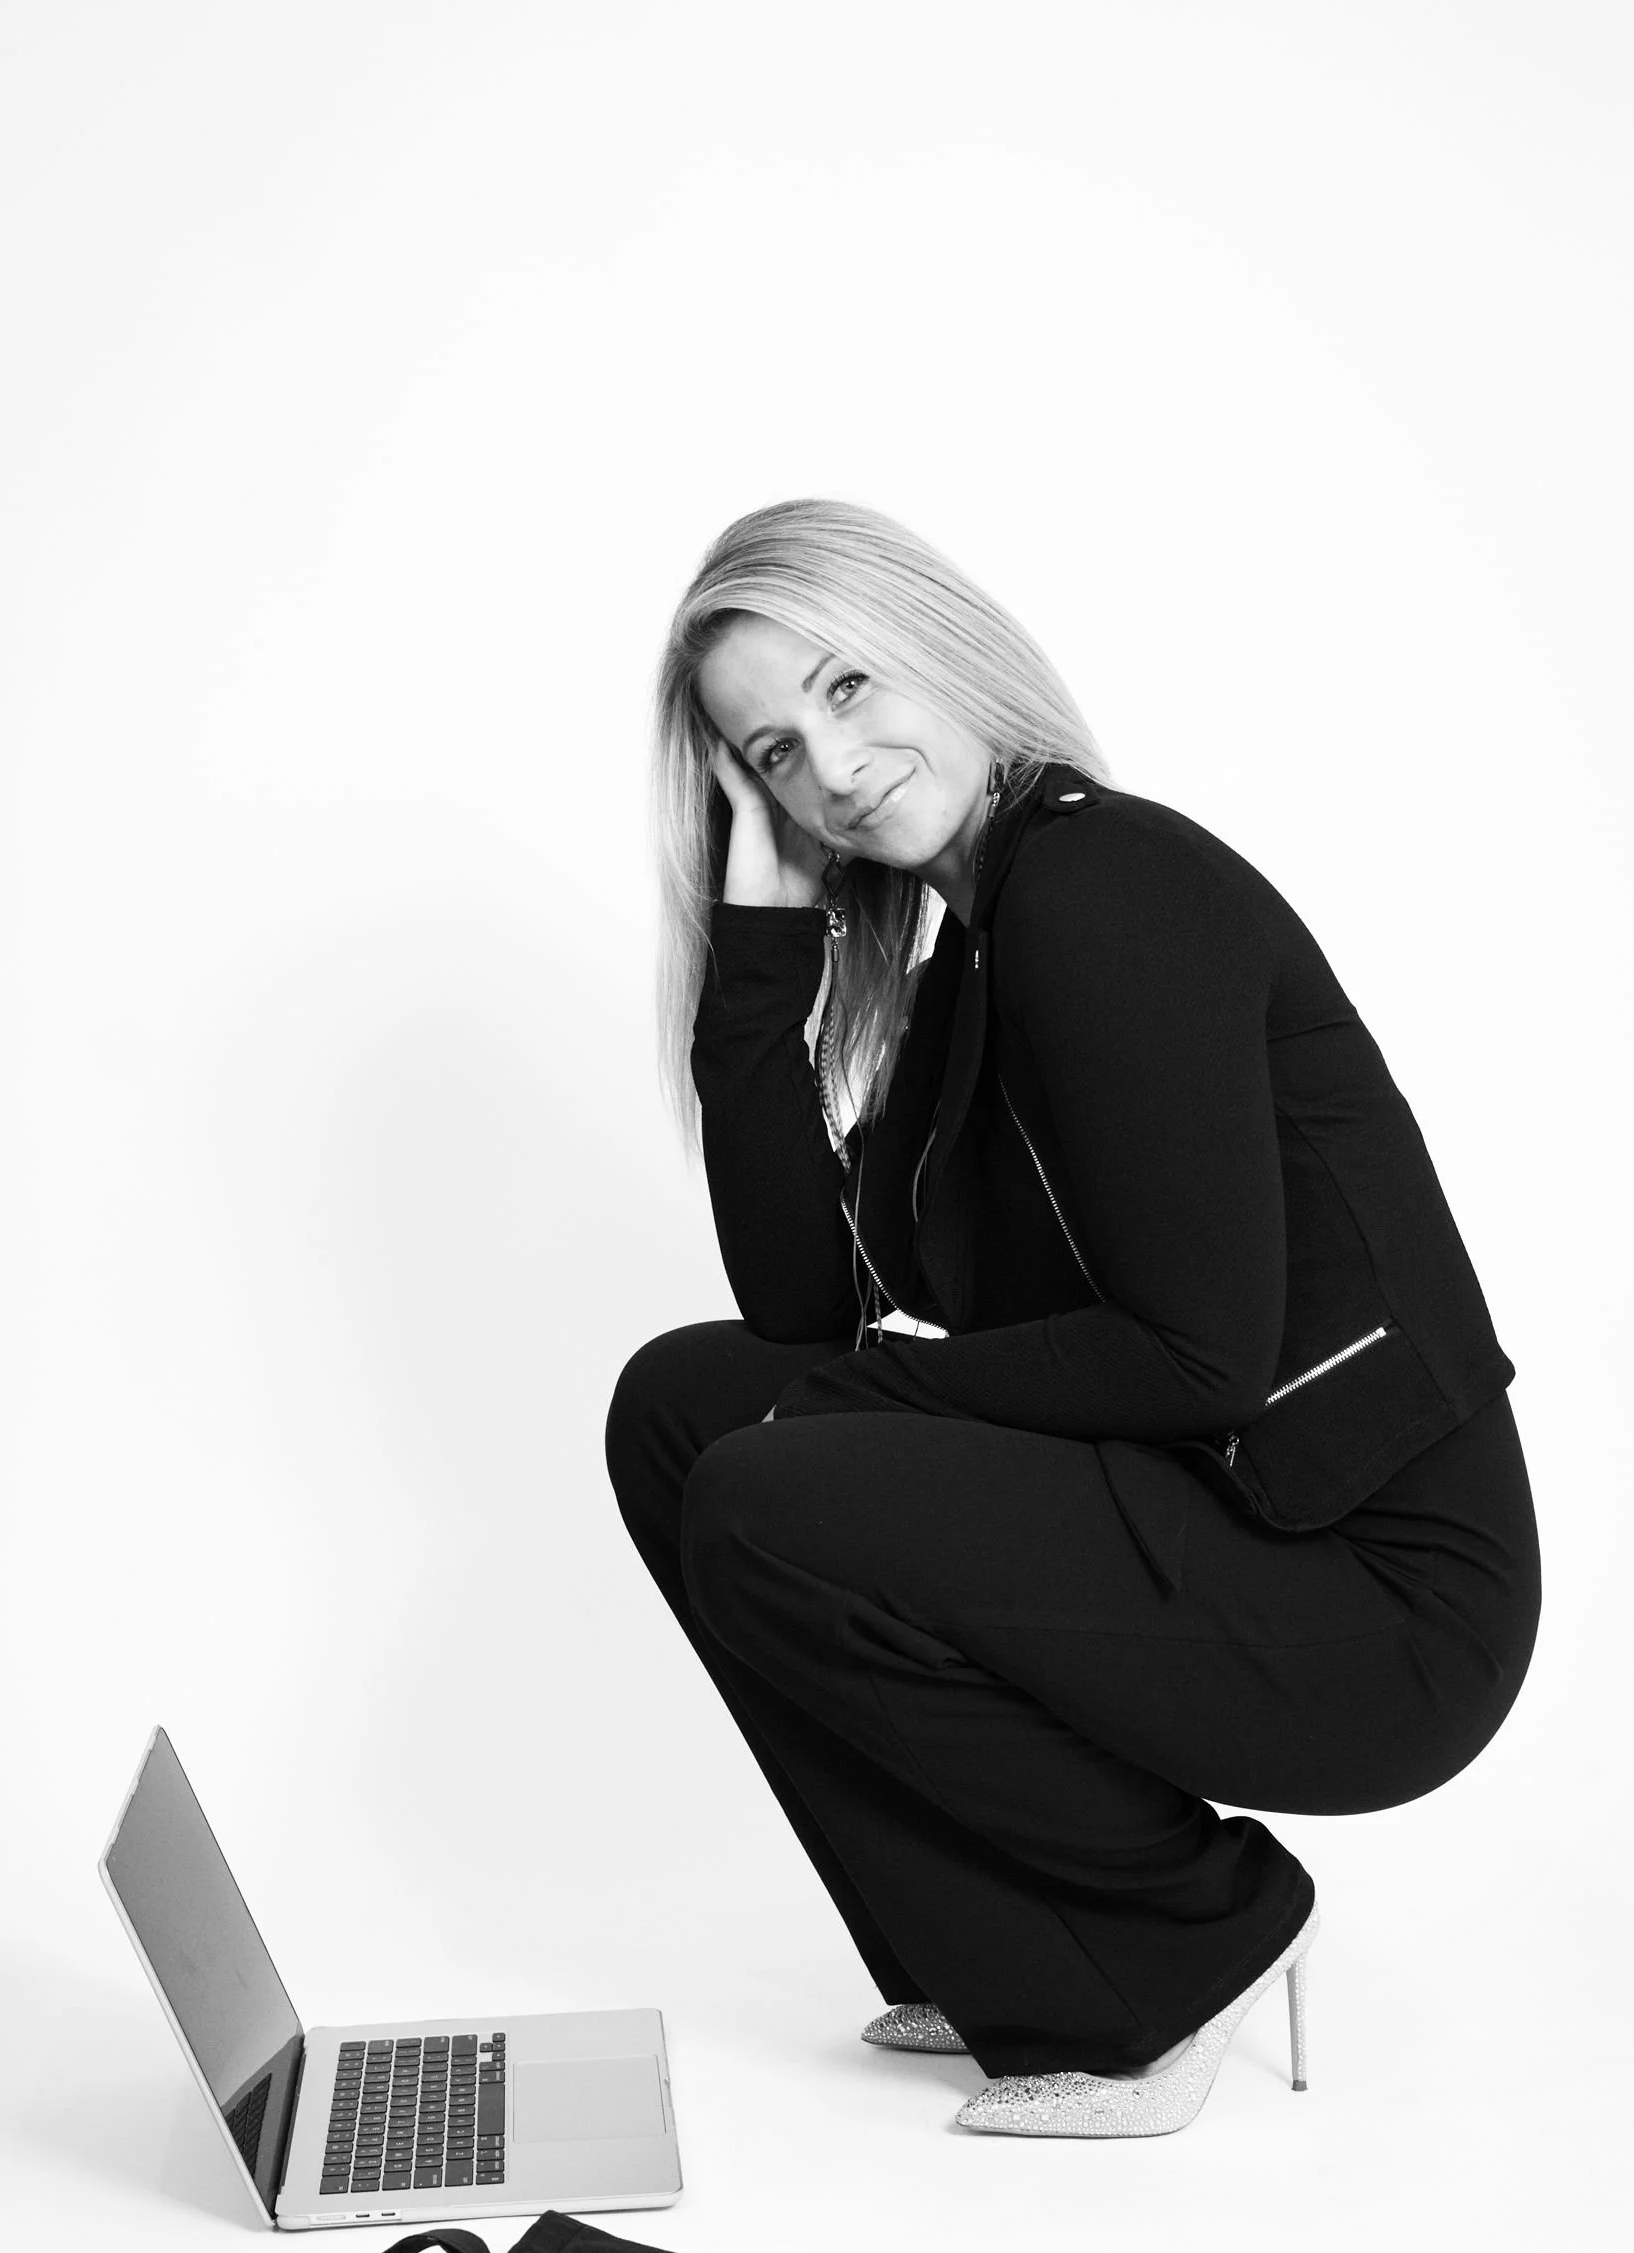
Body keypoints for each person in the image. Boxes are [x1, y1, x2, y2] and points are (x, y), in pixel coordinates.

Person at [605, 498, 1540, 2138]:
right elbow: (796, 1303)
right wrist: (760, 939)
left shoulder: (1097, 888)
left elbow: (1194, 1360)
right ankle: (1002, 1952)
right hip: (1220, 1517)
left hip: (1369, 1594)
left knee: (764, 1479)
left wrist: (839, 1421)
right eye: (768, 751)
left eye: (845, 686)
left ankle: (1173, 1954)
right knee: (684, 1408)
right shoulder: (968, 952)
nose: (826, 766)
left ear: (939, 646)